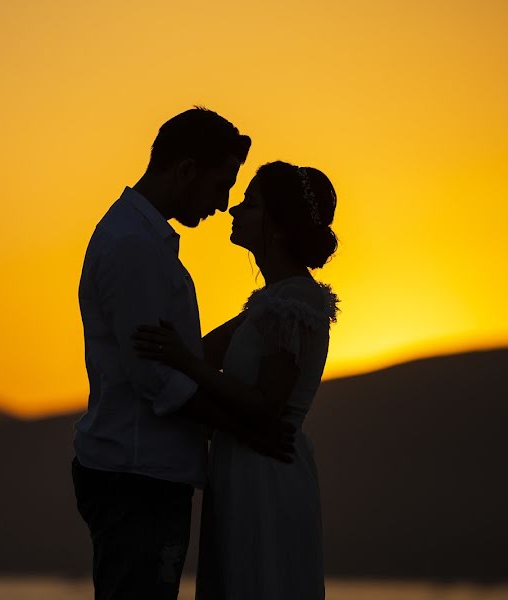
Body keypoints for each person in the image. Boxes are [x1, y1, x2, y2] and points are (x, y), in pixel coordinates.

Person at [72, 108, 295, 600]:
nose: (222, 205)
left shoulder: (143, 239)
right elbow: (155, 377)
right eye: (220, 186)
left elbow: (177, 356)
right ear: (186, 170)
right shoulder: (133, 245)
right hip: (137, 474)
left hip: (144, 472)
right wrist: (248, 429)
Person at [133, 160, 340, 599]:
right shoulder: (268, 303)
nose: (233, 211)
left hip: (266, 472)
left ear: (279, 227)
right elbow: (204, 350)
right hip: (240, 465)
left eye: (250, 204)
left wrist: (185, 365)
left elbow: (267, 402)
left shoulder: (295, 303)